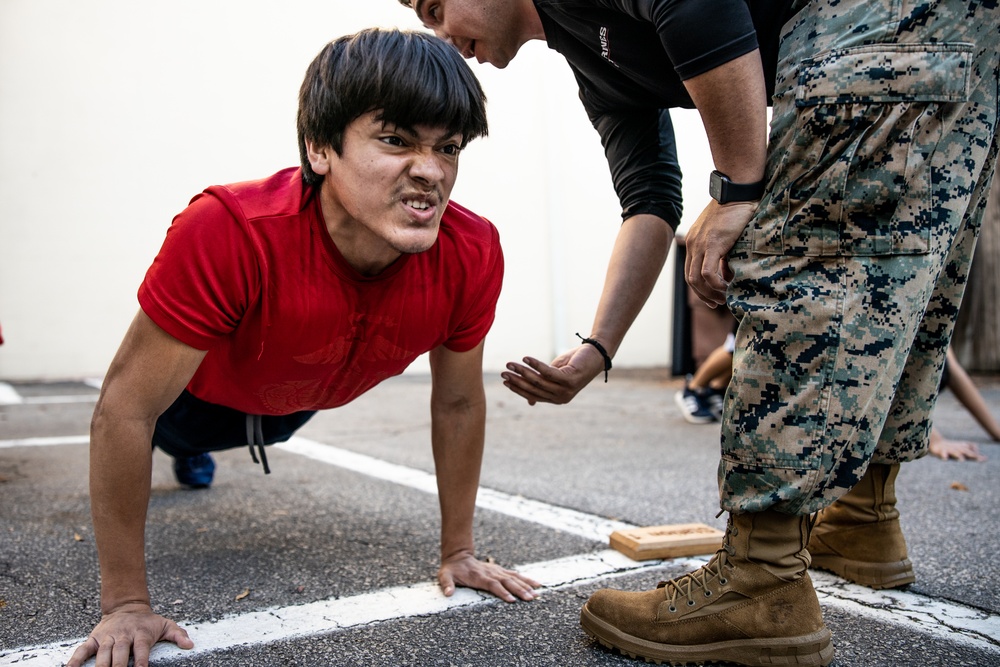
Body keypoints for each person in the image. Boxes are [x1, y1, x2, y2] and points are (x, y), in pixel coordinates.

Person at [398, 1, 1000, 665]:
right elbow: (649, 201)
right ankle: (863, 518)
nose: (443, 36)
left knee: (797, 270)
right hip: (955, 38)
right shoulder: (593, 64)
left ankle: (760, 580)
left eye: (435, 7)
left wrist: (739, 186)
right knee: (896, 273)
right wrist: (597, 350)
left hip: (875, 22)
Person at [67, 28, 541, 667]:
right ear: (321, 148)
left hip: (299, 398)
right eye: (396, 140)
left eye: (448, 147)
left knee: (281, 421)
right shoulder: (231, 232)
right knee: (174, 434)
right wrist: (124, 605)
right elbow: (125, 410)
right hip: (199, 401)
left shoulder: (471, 251)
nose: (430, 170)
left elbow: (458, 404)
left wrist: (459, 551)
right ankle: (189, 454)